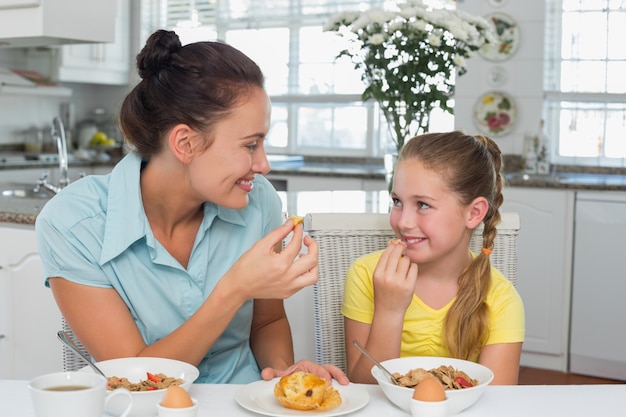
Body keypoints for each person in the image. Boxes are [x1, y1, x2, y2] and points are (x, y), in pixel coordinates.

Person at [35, 29, 347, 385]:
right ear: (185, 143)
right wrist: (234, 288)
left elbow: (267, 321)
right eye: (250, 145)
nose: (263, 165)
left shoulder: (258, 200)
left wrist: (281, 374)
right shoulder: (73, 224)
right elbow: (137, 379)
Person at [342, 131, 525, 385]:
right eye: (397, 201)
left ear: (473, 213)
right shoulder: (367, 274)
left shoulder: (501, 300)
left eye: (423, 205)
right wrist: (389, 311)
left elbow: (496, 404)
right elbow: (364, 388)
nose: (403, 222)